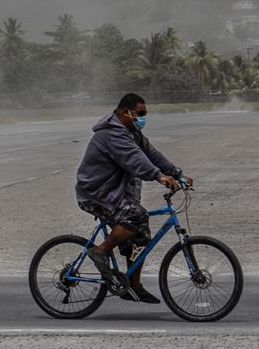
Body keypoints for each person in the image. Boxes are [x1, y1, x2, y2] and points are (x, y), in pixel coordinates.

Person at [75, 93, 193, 303]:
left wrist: (177, 174)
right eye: (140, 114)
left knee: (141, 235)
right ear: (124, 112)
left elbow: (152, 154)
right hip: (96, 194)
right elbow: (135, 159)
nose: (143, 118)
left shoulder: (133, 133)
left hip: (115, 194)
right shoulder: (112, 134)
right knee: (136, 215)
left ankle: (135, 286)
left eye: (144, 114)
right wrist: (158, 176)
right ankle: (99, 252)